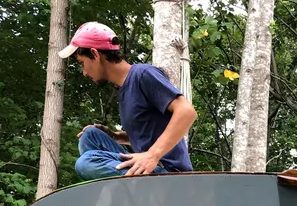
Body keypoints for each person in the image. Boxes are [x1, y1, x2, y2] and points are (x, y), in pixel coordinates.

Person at [58, 21, 198, 180]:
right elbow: (147, 133)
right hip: (148, 168)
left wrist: (152, 155)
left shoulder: (143, 74)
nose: (84, 72)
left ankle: (127, 193)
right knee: (91, 135)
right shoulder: (124, 89)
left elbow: (187, 112)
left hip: (169, 173)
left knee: (85, 163)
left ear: (95, 54)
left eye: (82, 63)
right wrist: (116, 136)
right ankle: (114, 195)